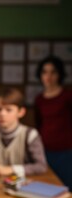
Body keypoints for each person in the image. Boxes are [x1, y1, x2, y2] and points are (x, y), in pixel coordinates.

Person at [0, 88, 47, 177]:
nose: (2, 114)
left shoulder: (30, 135)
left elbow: (41, 166)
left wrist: (10, 169)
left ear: (21, 112)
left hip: (23, 184)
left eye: (8, 110)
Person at [34, 55, 72, 189]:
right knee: (47, 186)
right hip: (44, 151)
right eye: (45, 72)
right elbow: (39, 124)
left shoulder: (67, 96)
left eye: (53, 72)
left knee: (67, 186)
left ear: (59, 74)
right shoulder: (39, 99)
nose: (48, 76)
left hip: (66, 152)